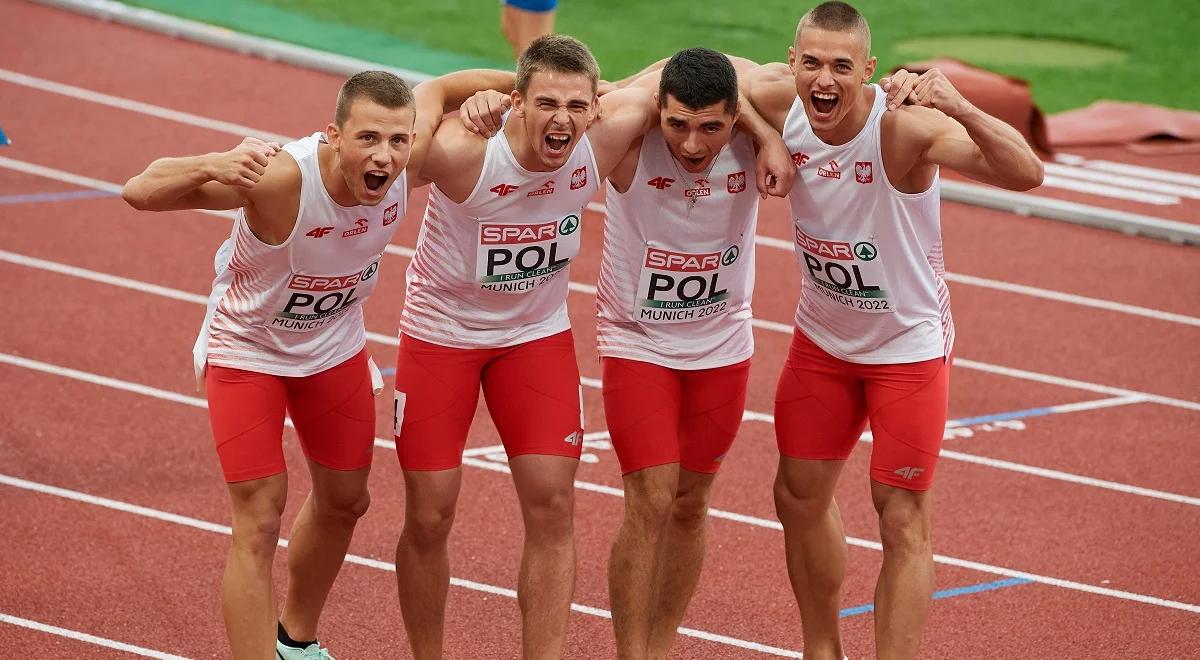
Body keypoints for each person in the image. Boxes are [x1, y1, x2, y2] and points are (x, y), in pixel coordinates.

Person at [393, 34, 792, 660]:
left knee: (554, 507)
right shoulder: (459, 150)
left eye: (577, 106)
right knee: (430, 514)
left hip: (534, 334)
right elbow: (383, 159)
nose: (563, 122)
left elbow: (696, 75)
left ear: (596, 106)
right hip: (443, 334)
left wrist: (765, 135)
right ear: (518, 101)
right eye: (545, 104)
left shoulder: (608, 128)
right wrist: (443, 95)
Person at [121, 68, 515, 660]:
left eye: (397, 141)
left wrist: (520, 91)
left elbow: (440, 86)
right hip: (248, 350)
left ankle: (295, 641)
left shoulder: (405, 163)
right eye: (367, 140)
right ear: (333, 135)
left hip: (333, 347)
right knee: (259, 515)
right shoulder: (283, 178)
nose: (384, 156)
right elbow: (139, 191)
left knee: (345, 499)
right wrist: (212, 163)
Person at [741, 3, 1043, 658]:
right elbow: (707, 76)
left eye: (841, 67)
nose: (824, 80)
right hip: (822, 343)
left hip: (906, 349)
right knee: (796, 496)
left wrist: (959, 105)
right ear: (792, 63)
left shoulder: (901, 130)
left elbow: (1028, 172)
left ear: (868, 71)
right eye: (812, 63)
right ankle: (822, 651)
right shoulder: (776, 98)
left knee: (900, 515)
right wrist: (765, 138)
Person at [594, 48, 790, 660]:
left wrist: (764, 135)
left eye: (711, 126)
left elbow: (788, 82)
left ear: (736, 115)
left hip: (723, 344)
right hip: (637, 341)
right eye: (677, 124)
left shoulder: (758, 131)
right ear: (659, 110)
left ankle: (658, 648)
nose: (693, 143)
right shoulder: (630, 133)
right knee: (650, 498)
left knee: (690, 501)